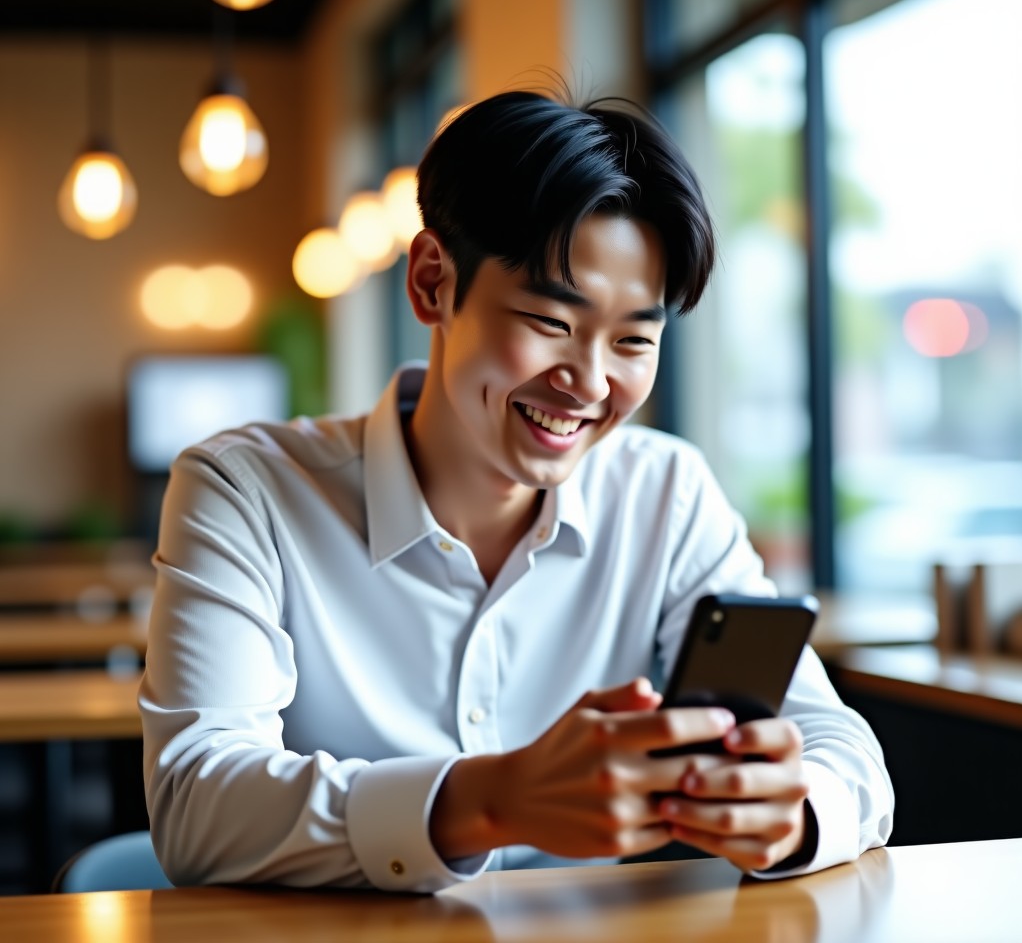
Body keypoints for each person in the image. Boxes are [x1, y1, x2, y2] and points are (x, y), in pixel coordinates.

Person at [140, 90, 893, 892]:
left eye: (634, 340)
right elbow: (196, 804)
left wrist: (788, 811)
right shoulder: (245, 490)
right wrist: (493, 802)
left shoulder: (665, 493)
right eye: (550, 322)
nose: (591, 382)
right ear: (433, 283)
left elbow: (845, 758)